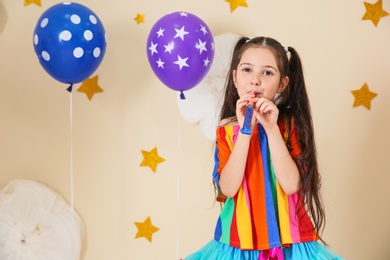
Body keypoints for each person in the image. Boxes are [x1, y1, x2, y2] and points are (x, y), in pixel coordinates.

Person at [185, 36, 343, 259]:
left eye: (267, 72)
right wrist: (245, 131)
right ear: (235, 78)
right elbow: (228, 189)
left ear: (282, 84)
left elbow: (290, 185)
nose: (255, 80)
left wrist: (271, 129)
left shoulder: (289, 126)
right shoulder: (226, 130)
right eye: (247, 70)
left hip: (290, 241)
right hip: (238, 241)